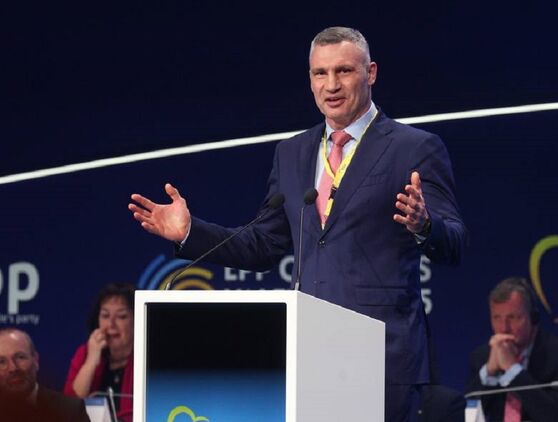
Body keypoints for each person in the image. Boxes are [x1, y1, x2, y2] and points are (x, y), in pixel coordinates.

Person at [128, 26, 466, 421]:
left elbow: (455, 242)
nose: (331, 85)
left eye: (344, 71)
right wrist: (190, 232)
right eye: (320, 73)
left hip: (383, 358)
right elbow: (263, 245)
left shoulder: (414, 147)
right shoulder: (292, 153)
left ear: (371, 73)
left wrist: (424, 224)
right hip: (308, 356)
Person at [466, 277, 558, 422]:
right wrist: (489, 372)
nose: (504, 328)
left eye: (513, 317)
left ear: (533, 317)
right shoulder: (482, 356)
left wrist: (512, 369)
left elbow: (556, 417)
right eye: (497, 318)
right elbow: (470, 416)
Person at [64, 283, 135, 422]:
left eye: (121, 316)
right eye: (105, 316)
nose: (111, 325)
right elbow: (69, 407)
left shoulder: (147, 357)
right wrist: (91, 361)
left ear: (137, 319)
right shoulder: (85, 353)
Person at [0, 327, 91, 422]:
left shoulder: (71, 410)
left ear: (36, 360)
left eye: (20, 357)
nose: (13, 368)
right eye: (2, 362)